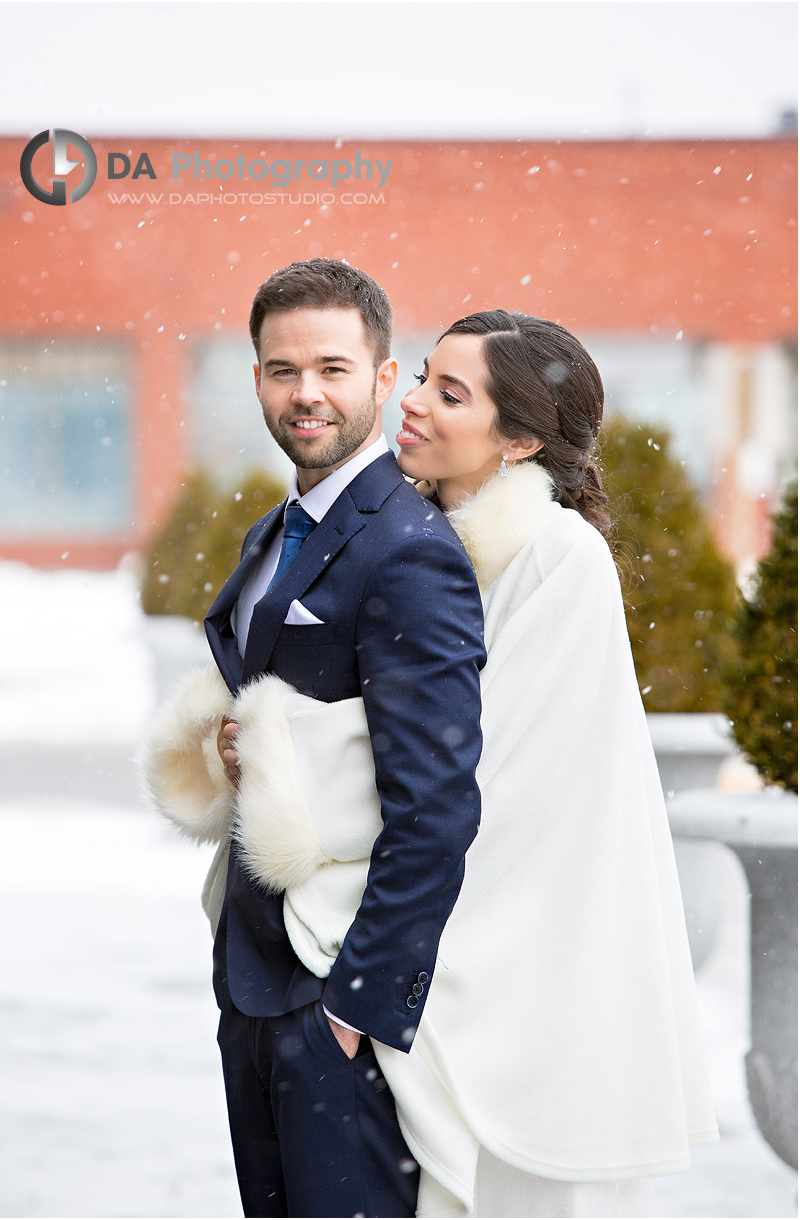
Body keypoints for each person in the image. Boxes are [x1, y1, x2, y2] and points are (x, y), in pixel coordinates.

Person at [202, 309, 719, 1216]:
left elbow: (483, 773)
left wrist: (282, 749)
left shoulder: (559, 558)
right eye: (419, 381)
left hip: (471, 959)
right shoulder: (412, 533)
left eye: (450, 393)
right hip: (355, 952)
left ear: (518, 438)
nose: (412, 407)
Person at [140, 258, 487, 1218]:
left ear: (383, 379)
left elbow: (439, 804)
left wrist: (355, 1009)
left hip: (334, 991)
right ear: (255, 378)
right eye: (283, 369)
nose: (307, 394)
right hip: (253, 974)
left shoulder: (409, 549)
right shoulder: (271, 533)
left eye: (334, 369)